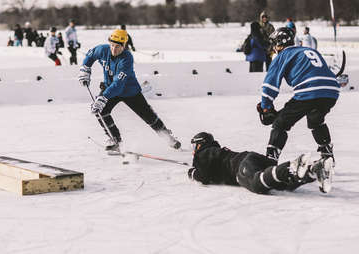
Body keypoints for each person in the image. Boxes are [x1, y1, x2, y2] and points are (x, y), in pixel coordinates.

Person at [78, 29, 181, 152]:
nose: (114, 49)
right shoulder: (102, 49)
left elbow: (118, 84)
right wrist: (85, 69)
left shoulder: (126, 58)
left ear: (124, 46)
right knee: (99, 110)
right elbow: (90, 56)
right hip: (109, 88)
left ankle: (167, 137)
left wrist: (103, 97)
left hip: (129, 92)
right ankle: (115, 140)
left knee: (149, 117)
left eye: (117, 47)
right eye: (112, 45)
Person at [258, 27, 342, 165]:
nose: (273, 47)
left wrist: (266, 106)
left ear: (279, 43)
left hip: (309, 91)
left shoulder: (282, 55)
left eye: (274, 44)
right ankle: (327, 155)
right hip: (331, 91)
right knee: (315, 119)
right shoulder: (310, 51)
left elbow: (269, 85)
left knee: (280, 122)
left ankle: (270, 160)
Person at [188, 132, 334, 194]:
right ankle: (313, 170)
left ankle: (291, 167)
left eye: (194, 146)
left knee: (256, 184)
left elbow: (203, 176)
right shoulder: (216, 151)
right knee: (281, 185)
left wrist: (192, 172)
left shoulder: (205, 153)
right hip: (251, 159)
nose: (194, 151)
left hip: (240, 165)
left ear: (200, 144)